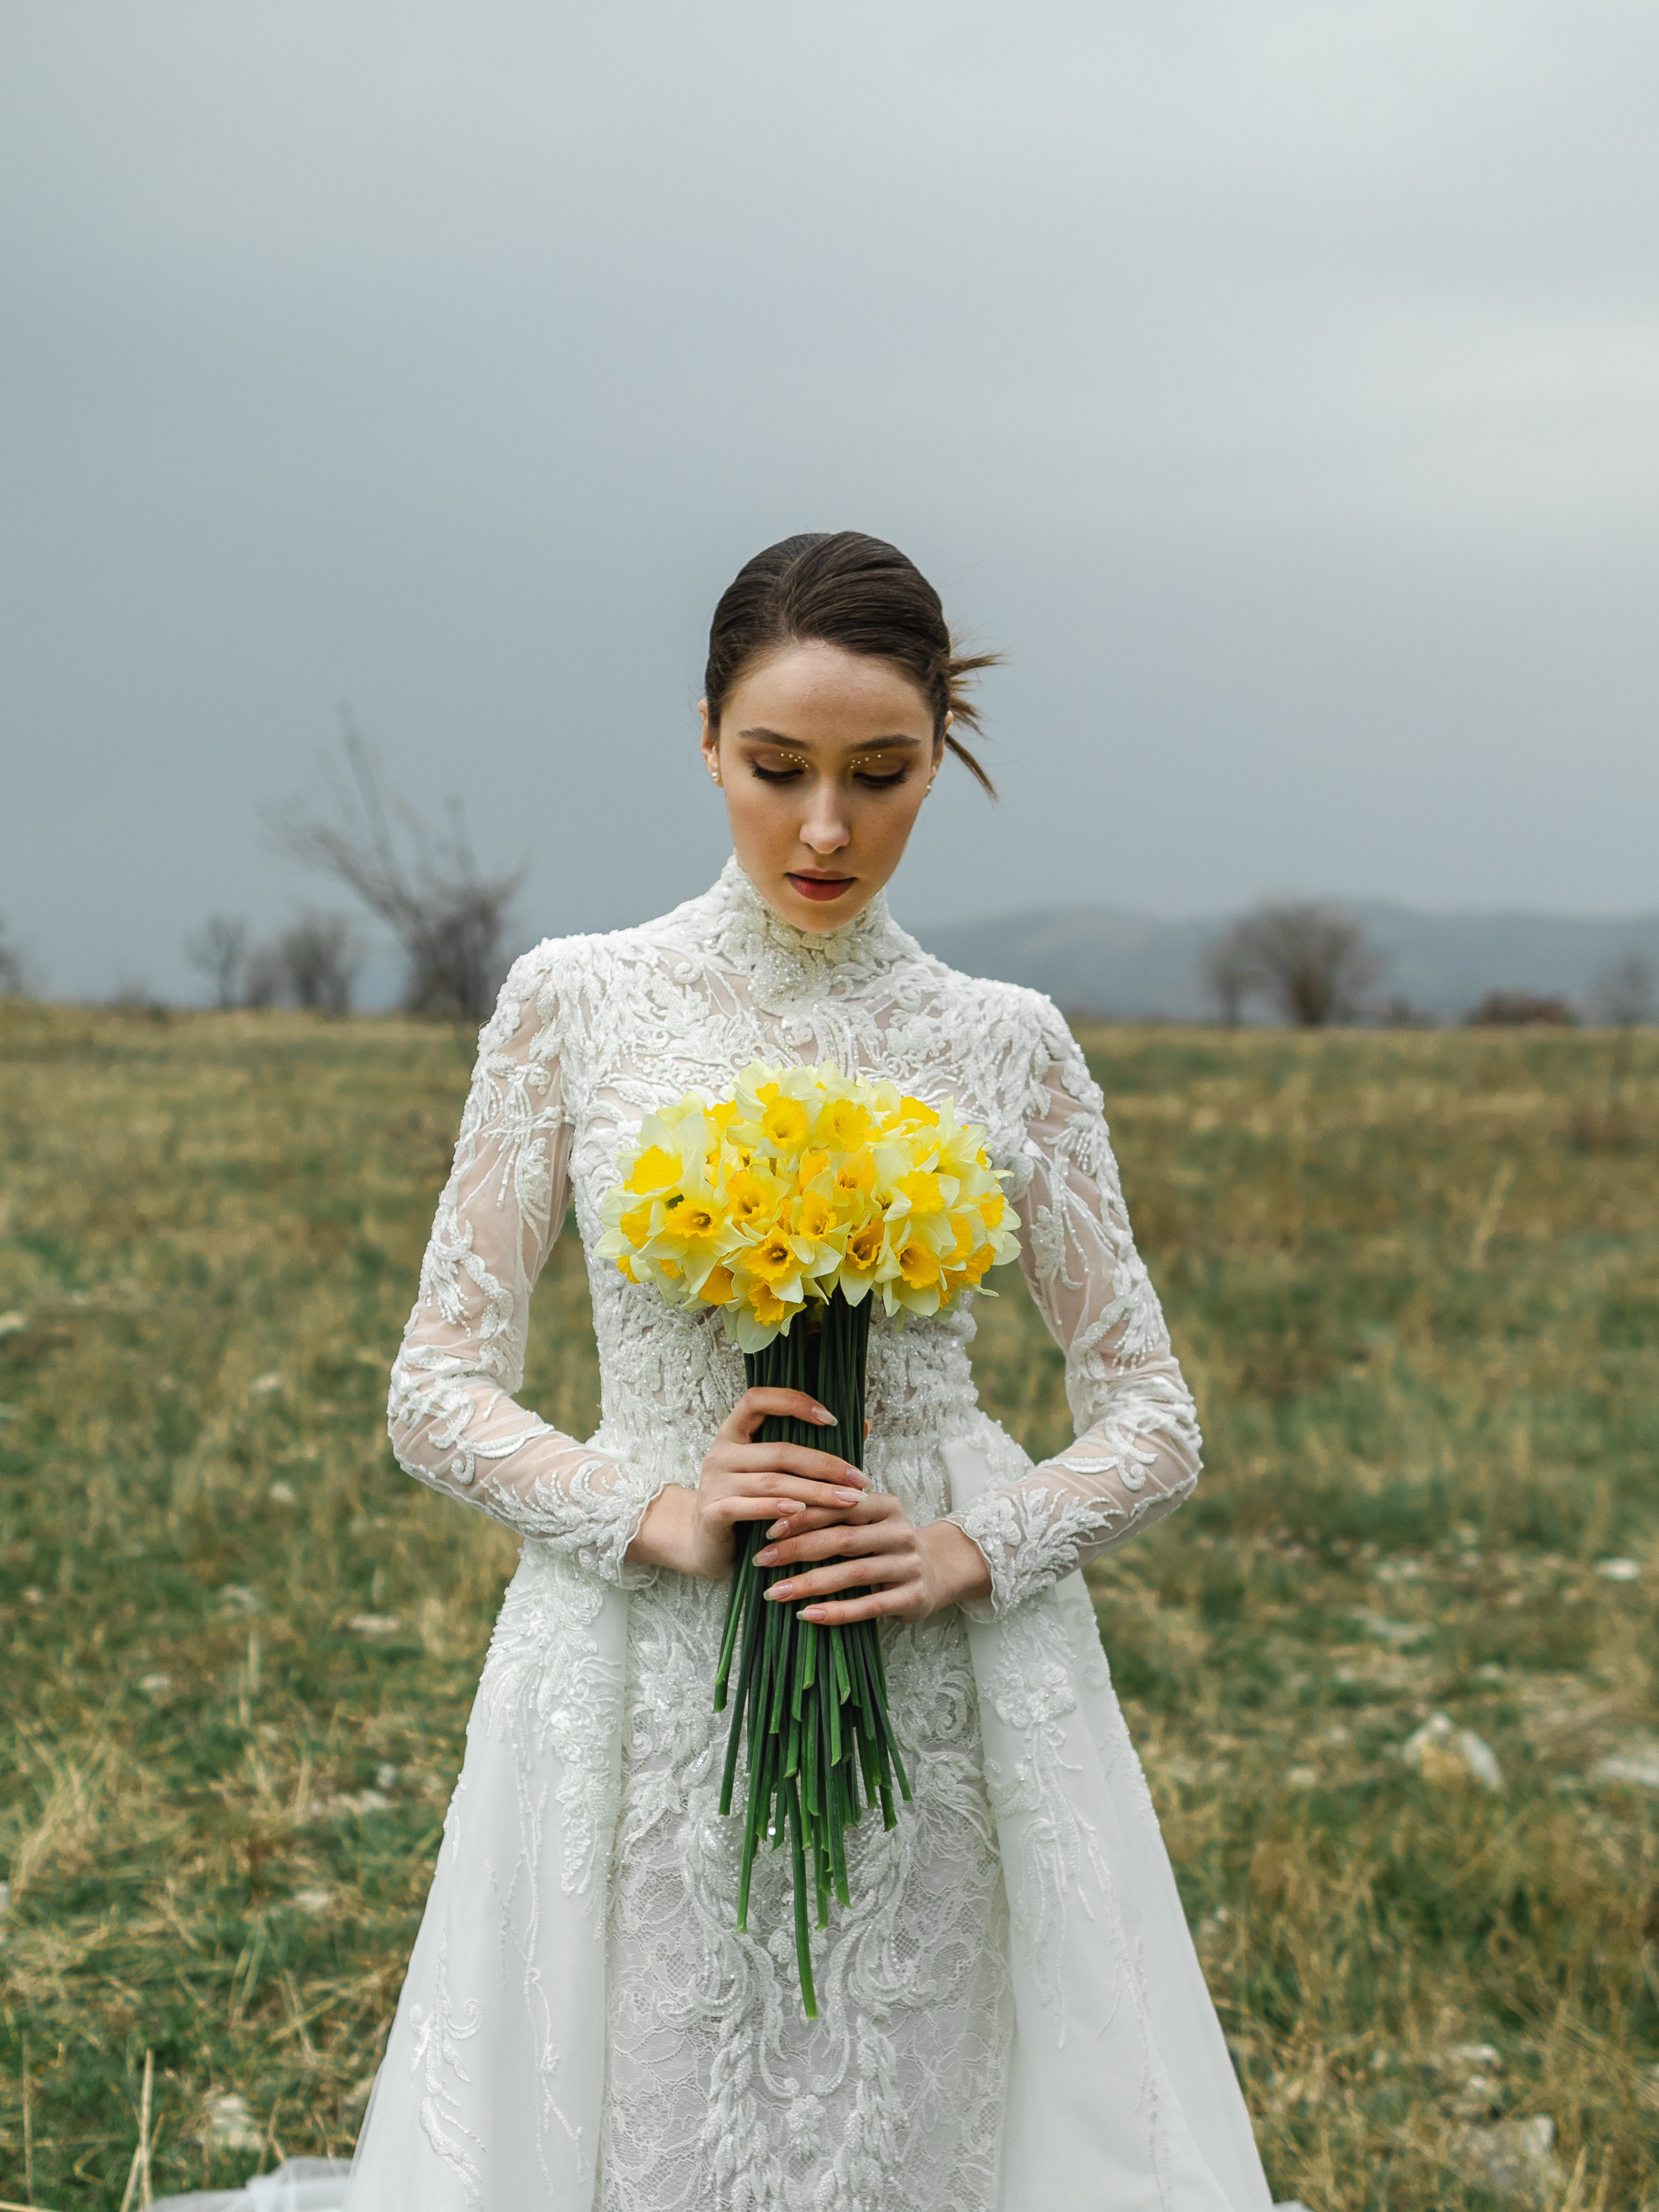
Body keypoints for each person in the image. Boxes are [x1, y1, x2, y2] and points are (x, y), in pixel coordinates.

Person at [160, 532, 1275, 2212]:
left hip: (940, 1681)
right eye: (777, 770)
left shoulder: (1008, 1042)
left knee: (923, 2115)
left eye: (879, 776)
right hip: (639, 1673)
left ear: (936, 767)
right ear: (705, 744)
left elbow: (1154, 1418)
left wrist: (973, 1542)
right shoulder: (575, 1006)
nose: (824, 829)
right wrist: (654, 1509)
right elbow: (435, 1387)